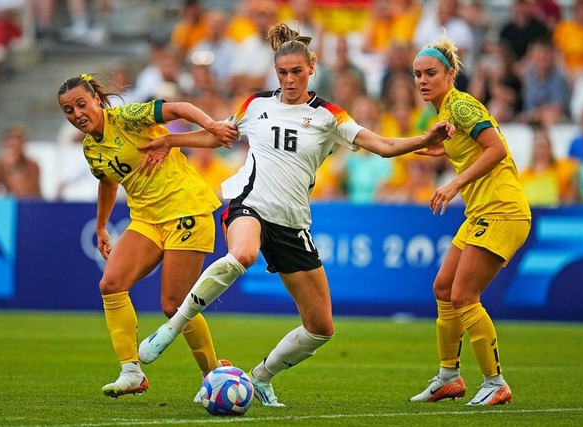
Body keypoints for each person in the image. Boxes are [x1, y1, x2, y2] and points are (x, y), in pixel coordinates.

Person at [135, 22, 454, 407]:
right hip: (248, 203)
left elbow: (383, 145)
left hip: (292, 223)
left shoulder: (329, 116)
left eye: (296, 72)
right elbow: (219, 135)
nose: (288, 80)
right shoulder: (255, 105)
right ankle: (171, 328)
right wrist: (171, 139)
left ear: (311, 68)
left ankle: (261, 378)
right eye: (282, 73)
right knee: (244, 254)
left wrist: (425, 138)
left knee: (321, 328)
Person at [56, 73, 238, 398]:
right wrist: (101, 225)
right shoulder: (89, 148)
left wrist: (211, 125)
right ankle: (131, 372)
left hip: (186, 208)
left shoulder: (126, 119)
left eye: (81, 104)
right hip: (147, 218)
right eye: (69, 111)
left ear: (97, 100)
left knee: (173, 305)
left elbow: (178, 107)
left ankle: (214, 373)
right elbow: (108, 182)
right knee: (110, 285)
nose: (77, 114)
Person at [409, 35, 531, 406]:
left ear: (449, 75)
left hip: (502, 208)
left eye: (430, 73)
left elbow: (497, 149)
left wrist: (454, 183)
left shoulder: (460, 106)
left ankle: (495, 382)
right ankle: (449, 377)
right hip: (482, 210)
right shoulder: (445, 113)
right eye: (417, 74)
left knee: (463, 294)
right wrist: (443, 148)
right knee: (444, 288)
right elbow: (472, 146)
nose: (422, 81)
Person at [0, 123, 42, 198]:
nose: (15, 142)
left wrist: (10, 168)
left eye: (18, 138)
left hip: (28, 206)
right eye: (11, 138)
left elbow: (26, 194)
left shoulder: (33, 166)